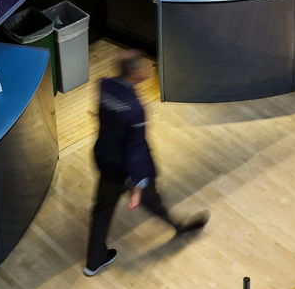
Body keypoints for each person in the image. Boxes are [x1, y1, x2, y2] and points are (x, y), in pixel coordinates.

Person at [85, 51, 208, 275]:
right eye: (144, 67)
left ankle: (93, 261)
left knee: (102, 211)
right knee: (153, 202)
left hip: (105, 159)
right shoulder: (135, 110)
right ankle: (178, 227)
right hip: (124, 170)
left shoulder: (104, 86)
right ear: (134, 73)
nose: (148, 69)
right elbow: (135, 150)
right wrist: (137, 186)